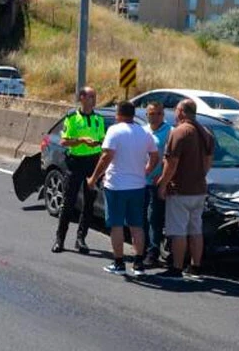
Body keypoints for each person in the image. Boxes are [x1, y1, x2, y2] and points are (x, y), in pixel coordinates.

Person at [87, 101, 159, 275]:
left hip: (116, 185)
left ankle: (119, 263)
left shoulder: (114, 131)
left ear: (118, 114)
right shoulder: (144, 132)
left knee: (116, 225)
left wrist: (93, 178)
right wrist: (146, 170)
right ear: (133, 115)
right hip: (138, 186)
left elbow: (106, 156)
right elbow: (155, 155)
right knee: (137, 225)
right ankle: (138, 263)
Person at [155, 99, 214, 279]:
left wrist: (163, 184)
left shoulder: (180, 132)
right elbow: (208, 162)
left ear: (181, 111)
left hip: (181, 190)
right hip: (199, 189)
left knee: (178, 230)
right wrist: (199, 176)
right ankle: (195, 267)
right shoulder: (206, 133)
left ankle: (177, 268)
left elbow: (171, 163)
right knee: (196, 229)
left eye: (176, 110)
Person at [52, 86, 105, 255]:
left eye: (95, 96)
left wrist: (97, 144)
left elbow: (102, 140)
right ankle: (60, 238)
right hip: (75, 163)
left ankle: (81, 238)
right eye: (90, 96)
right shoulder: (72, 117)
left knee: (89, 203)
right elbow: (64, 141)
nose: (93, 99)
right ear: (81, 98)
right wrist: (81, 141)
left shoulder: (99, 119)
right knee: (68, 202)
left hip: (93, 163)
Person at [142, 102, 172, 266]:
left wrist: (163, 179)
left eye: (159, 113)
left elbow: (171, 159)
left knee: (154, 218)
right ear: (147, 115)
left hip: (157, 182)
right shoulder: (143, 130)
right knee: (142, 218)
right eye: (152, 114)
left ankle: (152, 253)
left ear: (163, 114)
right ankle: (142, 248)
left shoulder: (170, 132)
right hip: (141, 181)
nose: (155, 117)